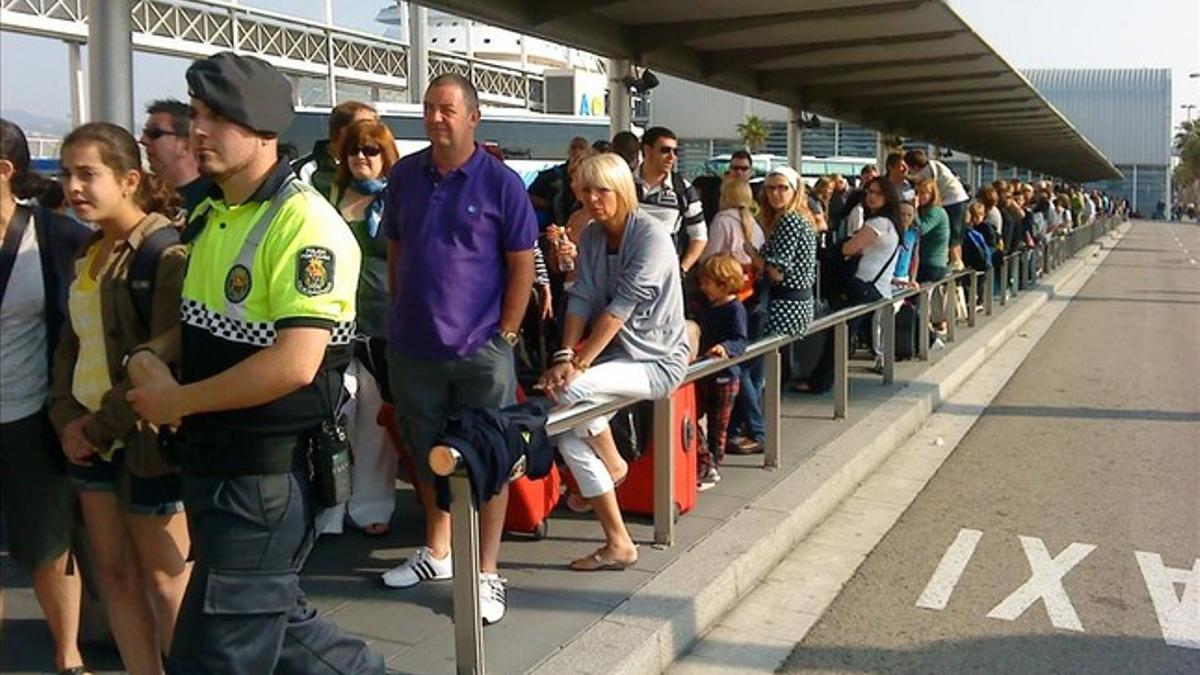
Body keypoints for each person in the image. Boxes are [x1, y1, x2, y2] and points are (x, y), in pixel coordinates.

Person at [125, 52, 383, 674]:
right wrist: (151, 354)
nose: (198, 131)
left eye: (218, 117)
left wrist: (173, 400)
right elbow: (203, 324)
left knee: (210, 658)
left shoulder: (305, 225)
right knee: (282, 633)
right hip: (219, 470)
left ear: (263, 130)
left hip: (264, 480)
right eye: (194, 115)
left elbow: (294, 364)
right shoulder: (215, 214)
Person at [378, 73, 535, 626]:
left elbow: (522, 263)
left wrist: (508, 333)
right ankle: (438, 550)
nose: (435, 118)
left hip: (481, 348)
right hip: (415, 347)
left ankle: (487, 571)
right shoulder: (404, 176)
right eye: (428, 109)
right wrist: (401, 315)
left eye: (446, 109)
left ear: (473, 117)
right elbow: (396, 249)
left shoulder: (501, 183)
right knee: (424, 454)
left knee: (487, 458)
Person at [50, 123, 190, 675]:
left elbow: (164, 357)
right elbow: (70, 345)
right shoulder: (89, 252)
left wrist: (95, 427)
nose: (74, 187)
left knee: (166, 578)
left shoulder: (163, 252)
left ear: (130, 179)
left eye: (88, 174)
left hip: (142, 440)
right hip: (88, 437)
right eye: (66, 174)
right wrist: (66, 418)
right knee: (114, 576)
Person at [538, 152, 689, 571]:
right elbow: (582, 296)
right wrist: (566, 353)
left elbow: (618, 309)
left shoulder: (652, 237)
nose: (592, 199)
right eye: (585, 190)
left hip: (658, 360)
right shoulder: (590, 237)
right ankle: (618, 542)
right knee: (569, 435)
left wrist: (577, 365)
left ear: (622, 189)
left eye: (601, 190)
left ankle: (615, 461)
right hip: (617, 355)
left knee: (566, 392)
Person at [0, 117, 92, 675]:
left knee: (48, 546)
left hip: (31, 417)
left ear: (5, 171)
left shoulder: (55, 238)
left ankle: (68, 656)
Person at [322, 118, 401, 537]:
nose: (361, 158)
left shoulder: (398, 198)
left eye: (371, 150)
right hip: (332, 318)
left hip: (382, 319)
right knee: (335, 413)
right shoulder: (328, 195)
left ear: (385, 155)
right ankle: (330, 505)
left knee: (374, 419)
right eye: (354, 150)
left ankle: (373, 504)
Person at [693, 254, 747, 491]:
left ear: (723, 284)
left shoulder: (734, 309)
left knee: (718, 425)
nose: (703, 288)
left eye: (708, 283)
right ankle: (705, 461)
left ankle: (713, 465)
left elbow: (740, 340)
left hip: (725, 376)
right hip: (706, 372)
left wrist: (725, 348)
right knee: (695, 418)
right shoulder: (709, 306)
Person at [746, 166, 818, 339]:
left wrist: (752, 254)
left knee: (774, 361)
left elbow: (776, 272)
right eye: (770, 188)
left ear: (794, 190)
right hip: (798, 305)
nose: (775, 193)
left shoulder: (789, 220)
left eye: (782, 188)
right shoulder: (801, 217)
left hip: (784, 307)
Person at [840, 177, 901, 372]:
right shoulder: (890, 223)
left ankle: (826, 378)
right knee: (858, 331)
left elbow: (849, 249)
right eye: (869, 192)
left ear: (888, 197)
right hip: (878, 287)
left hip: (866, 285)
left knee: (843, 332)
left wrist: (851, 244)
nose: (872, 197)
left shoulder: (879, 223)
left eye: (878, 193)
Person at [635, 127, 707, 274]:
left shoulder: (684, 189)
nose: (672, 157)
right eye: (665, 150)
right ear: (647, 151)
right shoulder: (622, 182)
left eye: (675, 152)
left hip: (664, 272)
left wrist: (682, 270)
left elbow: (699, 235)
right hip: (625, 269)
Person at [140, 98, 212, 218]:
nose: (143, 140)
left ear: (185, 145)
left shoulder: (215, 198)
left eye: (154, 133)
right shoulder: (144, 199)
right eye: (144, 133)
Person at [295, 100, 378, 199]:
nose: (372, 133)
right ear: (342, 131)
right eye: (364, 126)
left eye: (375, 127)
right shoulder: (305, 171)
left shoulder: (379, 166)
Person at [905, 149, 968, 270]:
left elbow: (923, 182)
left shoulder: (927, 172)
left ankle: (955, 261)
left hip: (952, 200)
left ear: (915, 166)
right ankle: (957, 260)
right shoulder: (935, 164)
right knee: (957, 234)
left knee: (953, 234)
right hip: (959, 198)